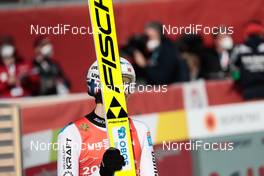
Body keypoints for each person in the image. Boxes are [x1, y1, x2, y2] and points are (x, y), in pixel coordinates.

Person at [57, 58, 158, 176]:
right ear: (97, 84)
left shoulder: (141, 130)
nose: (124, 90)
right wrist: (103, 172)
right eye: (118, 83)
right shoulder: (71, 133)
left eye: (127, 83)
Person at [231, 20, 264, 99]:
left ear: (246, 35)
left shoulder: (239, 49)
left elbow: (233, 68)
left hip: (248, 90)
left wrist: (237, 80)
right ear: (260, 34)